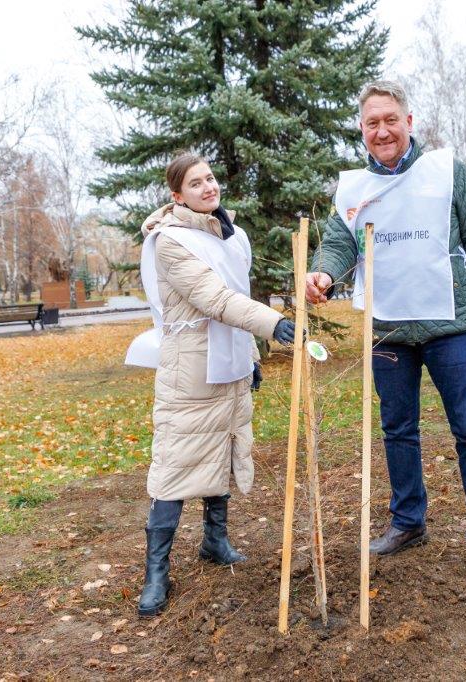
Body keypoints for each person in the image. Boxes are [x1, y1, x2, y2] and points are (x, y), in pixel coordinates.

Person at [305, 80, 466, 585]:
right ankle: (408, 521)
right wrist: (324, 273)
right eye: (372, 122)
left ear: (409, 122)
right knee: (398, 430)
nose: (383, 130)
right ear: (362, 129)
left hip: (451, 326)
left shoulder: (446, 173)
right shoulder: (355, 189)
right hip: (389, 331)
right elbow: (338, 243)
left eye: (390, 120)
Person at [127, 152, 297, 618]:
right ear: (177, 195)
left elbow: (236, 298)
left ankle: (214, 541)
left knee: (223, 449)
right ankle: (156, 573)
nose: (209, 187)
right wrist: (273, 324)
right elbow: (215, 299)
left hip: (230, 365)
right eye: (196, 183)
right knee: (175, 465)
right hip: (191, 372)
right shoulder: (170, 242)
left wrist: (250, 355)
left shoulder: (230, 235)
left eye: (211, 178)